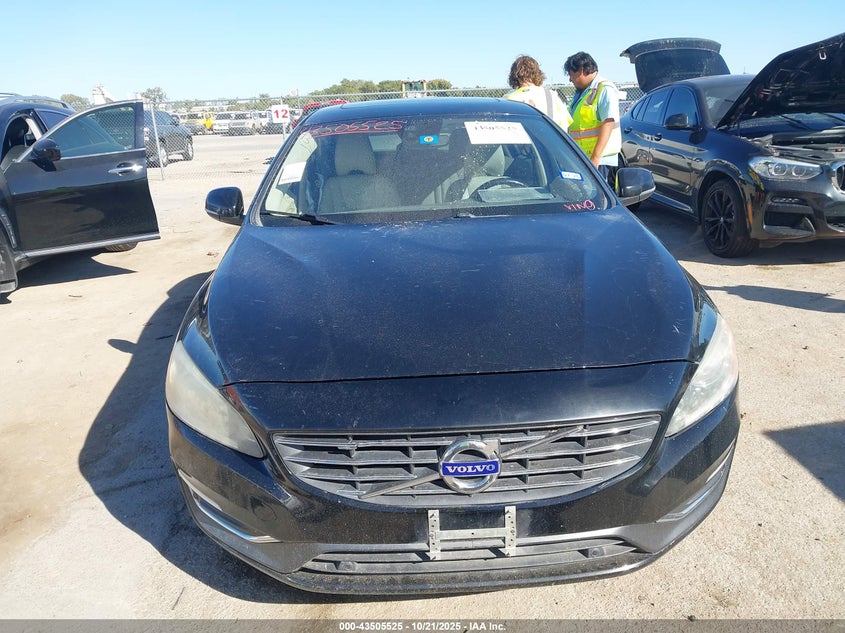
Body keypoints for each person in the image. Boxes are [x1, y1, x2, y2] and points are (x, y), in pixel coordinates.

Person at [564, 51, 621, 184]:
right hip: (584, 158)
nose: (570, 79)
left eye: (571, 74)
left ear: (581, 70)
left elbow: (609, 122)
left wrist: (595, 157)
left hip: (599, 160)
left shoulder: (604, 89)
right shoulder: (583, 92)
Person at [505, 55, 572, 132]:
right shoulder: (551, 96)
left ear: (514, 75)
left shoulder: (508, 99)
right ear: (537, 73)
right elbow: (565, 126)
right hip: (548, 139)